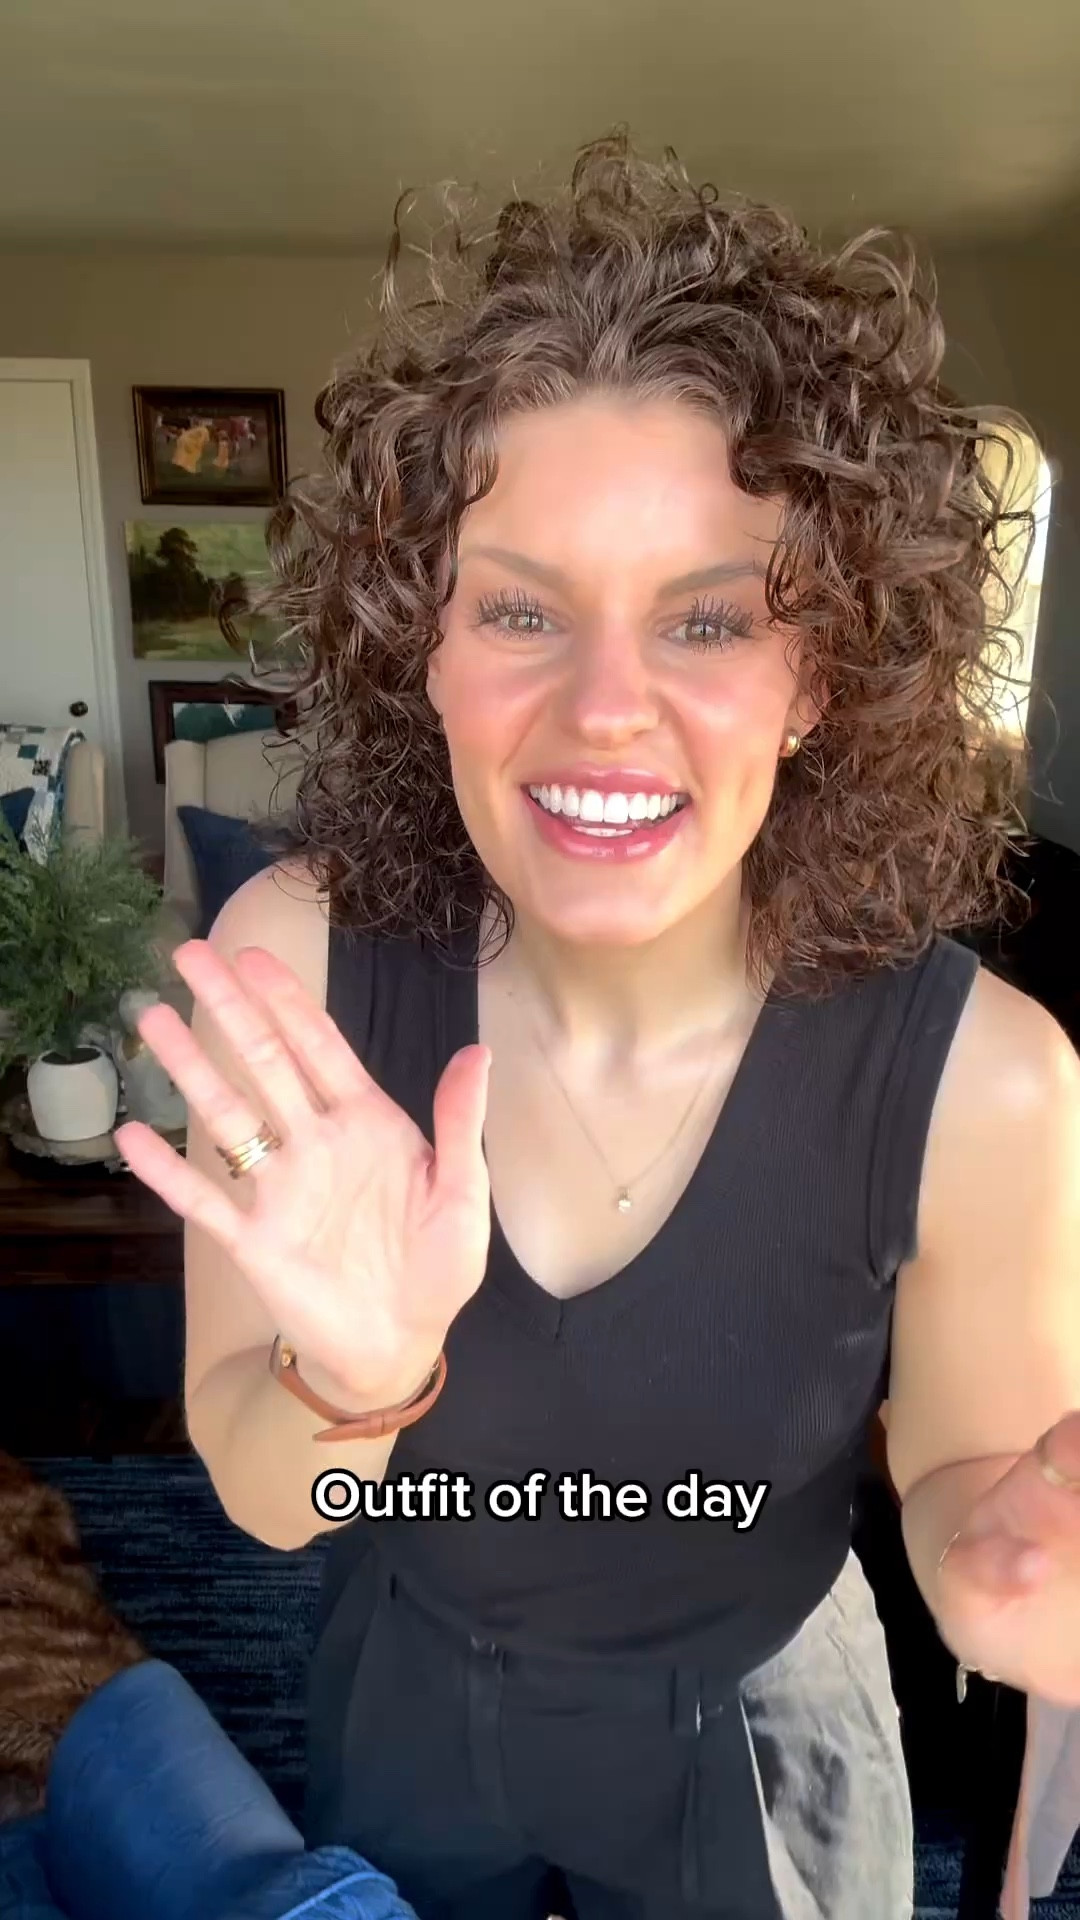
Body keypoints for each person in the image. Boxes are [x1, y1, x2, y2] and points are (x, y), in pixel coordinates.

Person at [115, 136, 1080, 1920]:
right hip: (408, 1680)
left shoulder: (987, 1079)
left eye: (710, 619)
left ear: (823, 680)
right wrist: (360, 1378)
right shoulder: (297, 975)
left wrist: (1014, 1573)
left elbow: (959, 1481)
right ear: (427, 647)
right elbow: (266, 1504)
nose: (606, 709)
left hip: (763, 1723)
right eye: (522, 609)